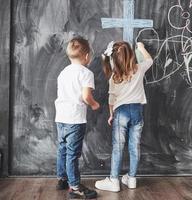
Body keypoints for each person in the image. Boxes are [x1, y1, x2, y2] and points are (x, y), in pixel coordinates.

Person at [95, 41, 153, 192]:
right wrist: (142, 48)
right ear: (131, 55)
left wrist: (111, 115)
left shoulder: (114, 77)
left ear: (114, 59)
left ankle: (114, 180)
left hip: (121, 112)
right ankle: (132, 178)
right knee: (135, 146)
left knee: (118, 147)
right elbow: (149, 60)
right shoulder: (138, 69)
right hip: (137, 111)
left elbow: (111, 100)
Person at [55, 37, 100, 199]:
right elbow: (86, 96)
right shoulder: (86, 73)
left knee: (62, 149)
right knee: (73, 154)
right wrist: (94, 104)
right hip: (75, 119)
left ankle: (62, 179)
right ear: (86, 56)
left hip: (60, 117)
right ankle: (74, 187)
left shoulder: (63, 73)